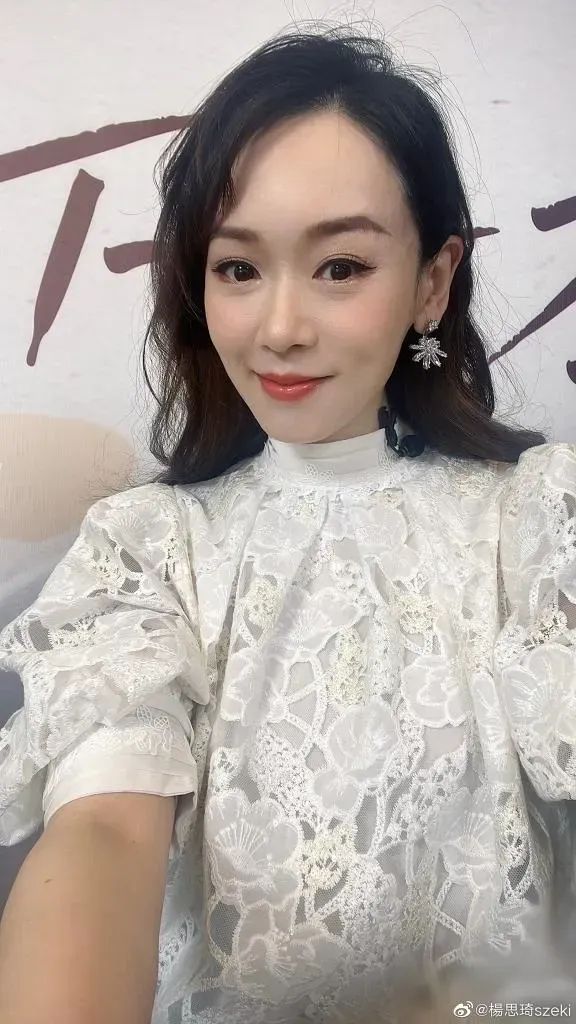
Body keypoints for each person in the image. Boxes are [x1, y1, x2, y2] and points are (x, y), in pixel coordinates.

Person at [0, 20, 575, 1024]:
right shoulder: (149, 546)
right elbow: (104, 830)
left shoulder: (536, 520)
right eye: (238, 268)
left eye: (341, 267)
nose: (279, 328)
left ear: (432, 281)